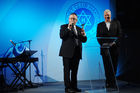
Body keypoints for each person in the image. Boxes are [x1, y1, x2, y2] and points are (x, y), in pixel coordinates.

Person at [59, 13, 87, 92]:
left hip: (77, 53)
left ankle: (74, 87)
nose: (72, 20)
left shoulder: (78, 28)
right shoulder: (63, 27)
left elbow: (84, 40)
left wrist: (84, 35)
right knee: (67, 71)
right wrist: (68, 28)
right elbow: (62, 36)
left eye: (74, 19)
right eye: (71, 18)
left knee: (74, 72)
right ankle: (68, 88)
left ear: (76, 20)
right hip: (67, 53)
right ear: (68, 19)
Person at [96, 9, 122, 89]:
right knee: (107, 67)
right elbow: (98, 37)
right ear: (104, 16)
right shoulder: (100, 25)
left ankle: (113, 83)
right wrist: (105, 44)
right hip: (105, 49)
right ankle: (108, 82)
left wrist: (114, 43)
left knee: (114, 66)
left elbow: (120, 35)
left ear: (111, 15)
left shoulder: (116, 23)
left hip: (114, 49)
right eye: (106, 15)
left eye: (108, 14)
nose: (107, 16)